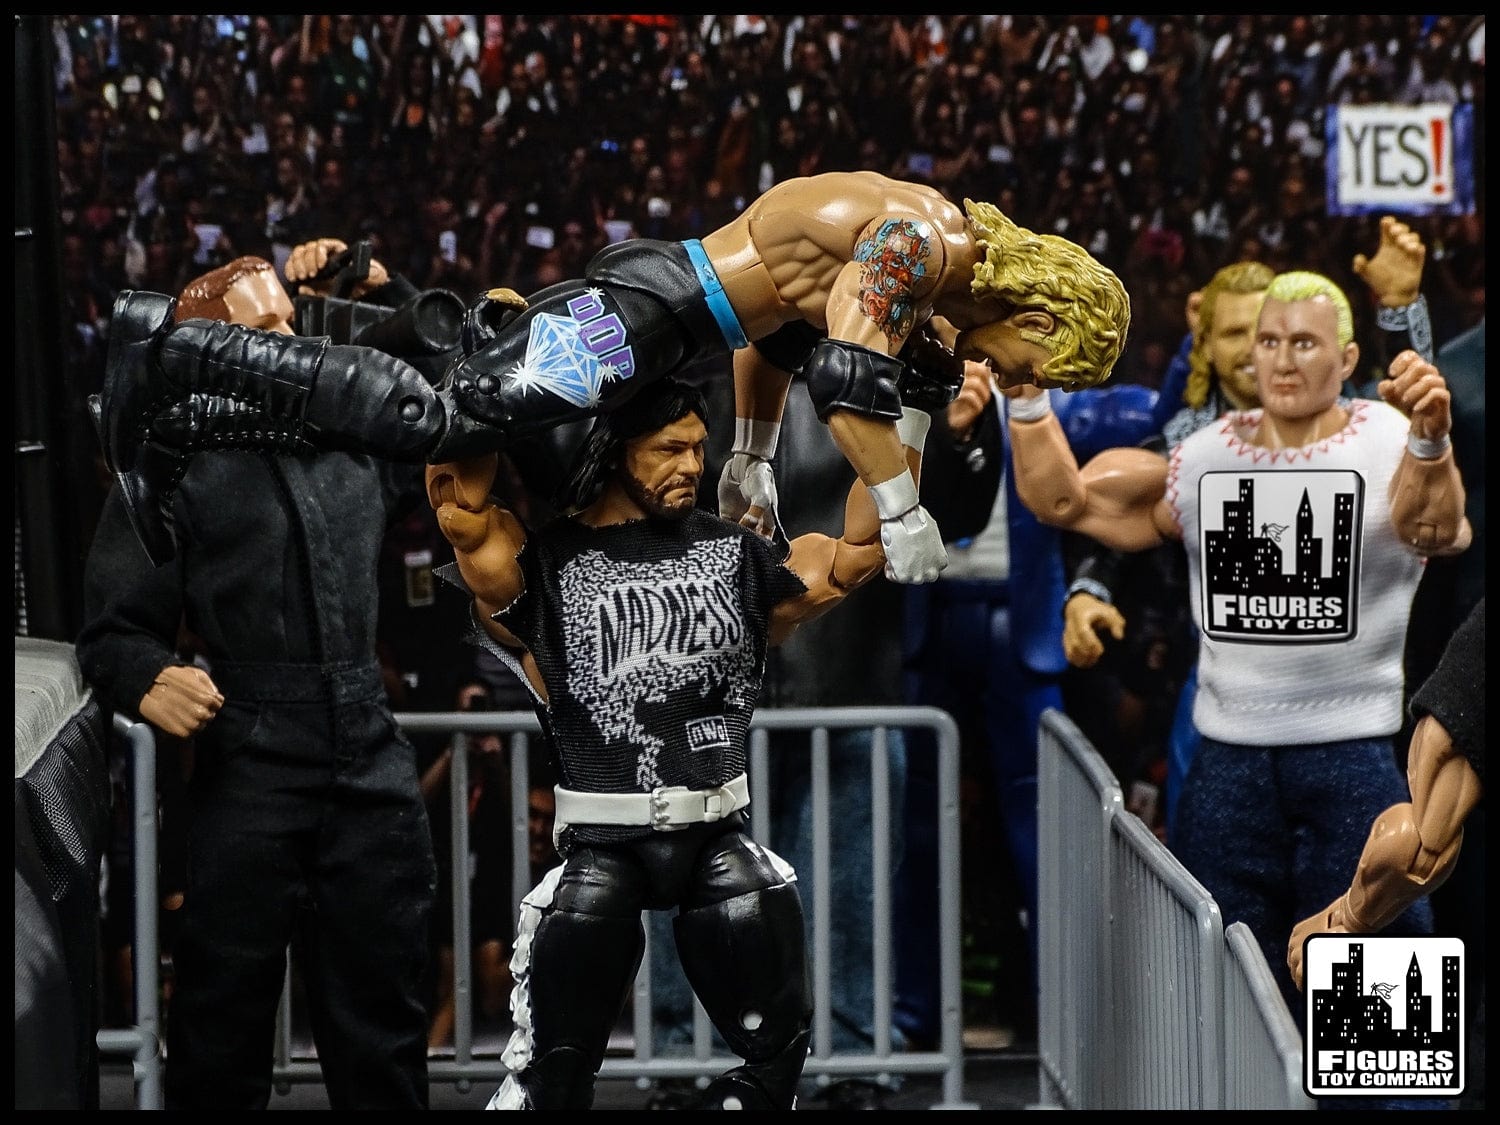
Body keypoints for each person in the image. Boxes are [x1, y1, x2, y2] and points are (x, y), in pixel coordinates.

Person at [95, 170, 1130, 587]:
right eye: (1037, 365)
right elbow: (849, 372)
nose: (1011, 376)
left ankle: (215, 391)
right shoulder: (918, 247)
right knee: (444, 419)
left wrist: (753, 459)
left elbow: (776, 339)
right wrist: (902, 508)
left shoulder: (924, 249)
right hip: (641, 315)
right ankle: (176, 345)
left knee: (475, 395)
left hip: (668, 325)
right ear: (1041, 315)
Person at [426, 374, 935, 1111]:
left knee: (778, 1053)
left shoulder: (736, 556)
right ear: (615, 449)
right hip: (604, 842)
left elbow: (857, 550)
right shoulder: (550, 562)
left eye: (699, 447)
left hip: (714, 837)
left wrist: (911, 406)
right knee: (555, 1073)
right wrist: (488, 379)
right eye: (669, 448)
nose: (692, 465)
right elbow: (462, 511)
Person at [1001, 269, 1471, 1020]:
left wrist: (1431, 440)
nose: (1283, 359)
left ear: (1347, 358)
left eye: (1305, 343)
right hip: (1227, 759)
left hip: (1355, 749)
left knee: (1380, 1010)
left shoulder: (1388, 436)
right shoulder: (1203, 455)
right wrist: (1026, 396)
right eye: (1270, 341)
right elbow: (1067, 500)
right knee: (1220, 995)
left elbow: (1440, 529)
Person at [75, 248, 441, 1110]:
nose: (291, 340)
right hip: (251, 750)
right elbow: (112, 628)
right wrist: (150, 674)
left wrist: (389, 293)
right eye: (263, 327)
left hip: (366, 742)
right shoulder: (172, 462)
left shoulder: (350, 433)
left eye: (290, 319)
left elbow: (441, 400)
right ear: (209, 347)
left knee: (384, 1020)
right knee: (221, 1020)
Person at [647, 358, 1000, 1110]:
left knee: (844, 891)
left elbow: (955, 517)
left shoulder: (892, 367)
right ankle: (686, 1056)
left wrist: (962, 435)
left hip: (846, 677)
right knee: (691, 883)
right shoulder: (698, 359)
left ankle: (847, 1057)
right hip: (706, 679)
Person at [1062, 216, 1433, 840]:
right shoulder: (1187, 439)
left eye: (1271, 331)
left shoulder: (1353, 422)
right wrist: (1089, 590)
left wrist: (1398, 310)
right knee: (1200, 854)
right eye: (1238, 333)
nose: (1261, 351)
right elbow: (1125, 512)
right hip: (1203, 672)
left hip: (1340, 698)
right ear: (1205, 343)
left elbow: (1411, 418)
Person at [1288, 596, 1484, 1112]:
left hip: (1372, 735)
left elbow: (1419, 846)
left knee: (1393, 1069)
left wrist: (1348, 918)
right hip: (1249, 722)